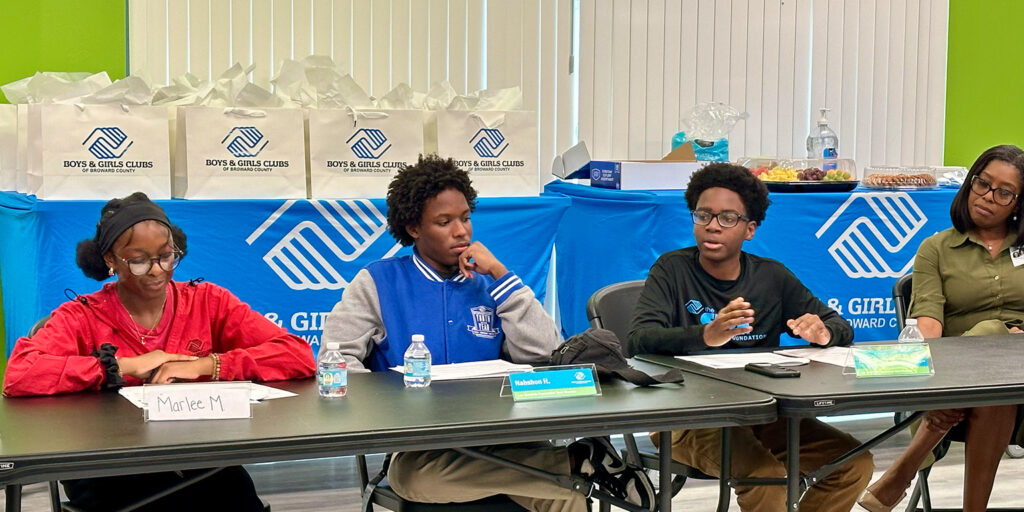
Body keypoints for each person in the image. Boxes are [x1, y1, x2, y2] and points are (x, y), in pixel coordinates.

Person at [322, 154, 654, 512]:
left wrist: (500, 275)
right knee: (413, 478)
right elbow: (335, 360)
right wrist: (388, 404)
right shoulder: (378, 282)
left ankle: (568, 465)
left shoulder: (493, 284)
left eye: (465, 218)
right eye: (444, 222)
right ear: (414, 228)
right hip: (424, 445)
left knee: (564, 496)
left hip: (505, 435)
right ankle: (572, 461)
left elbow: (547, 353)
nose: (461, 231)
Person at [3, 192, 316, 511]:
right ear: (110, 260)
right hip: (105, 462)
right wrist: (123, 366)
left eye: (166, 256)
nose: (157, 270)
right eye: (139, 261)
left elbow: (297, 354)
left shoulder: (208, 302)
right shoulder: (82, 316)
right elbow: (19, 374)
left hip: (198, 454)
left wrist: (206, 365)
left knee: (236, 495)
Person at [628, 162, 873, 512]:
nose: (713, 225)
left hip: (764, 413)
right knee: (766, 476)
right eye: (703, 215)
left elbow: (838, 325)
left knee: (853, 464)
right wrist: (706, 335)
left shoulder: (771, 277)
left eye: (728, 218)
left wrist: (823, 333)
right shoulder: (672, 269)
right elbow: (638, 340)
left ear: (750, 229)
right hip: (689, 418)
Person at [858, 144, 1024, 512]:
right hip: (959, 381)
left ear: (1019, 203)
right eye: (983, 183)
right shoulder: (936, 248)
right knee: (993, 348)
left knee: (998, 353)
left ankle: (906, 465)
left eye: (1004, 192)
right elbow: (928, 325)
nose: (988, 196)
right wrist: (940, 385)